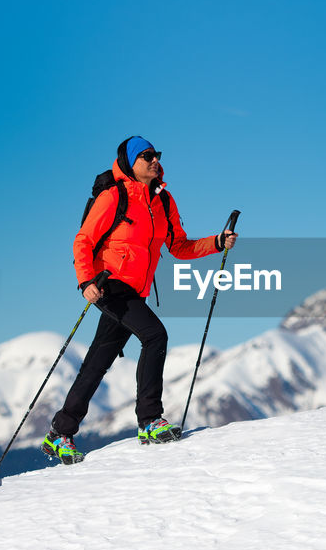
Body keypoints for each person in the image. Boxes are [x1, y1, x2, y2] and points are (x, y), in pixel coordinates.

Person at [42, 136, 237, 464]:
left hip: (135, 290)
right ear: (131, 162)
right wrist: (86, 281)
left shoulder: (163, 201)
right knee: (155, 335)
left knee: (97, 363)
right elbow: (83, 241)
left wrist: (217, 242)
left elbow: (179, 247)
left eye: (156, 155)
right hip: (109, 285)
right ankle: (149, 420)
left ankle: (59, 433)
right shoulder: (114, 196)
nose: (154, 160)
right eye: (147, 156)